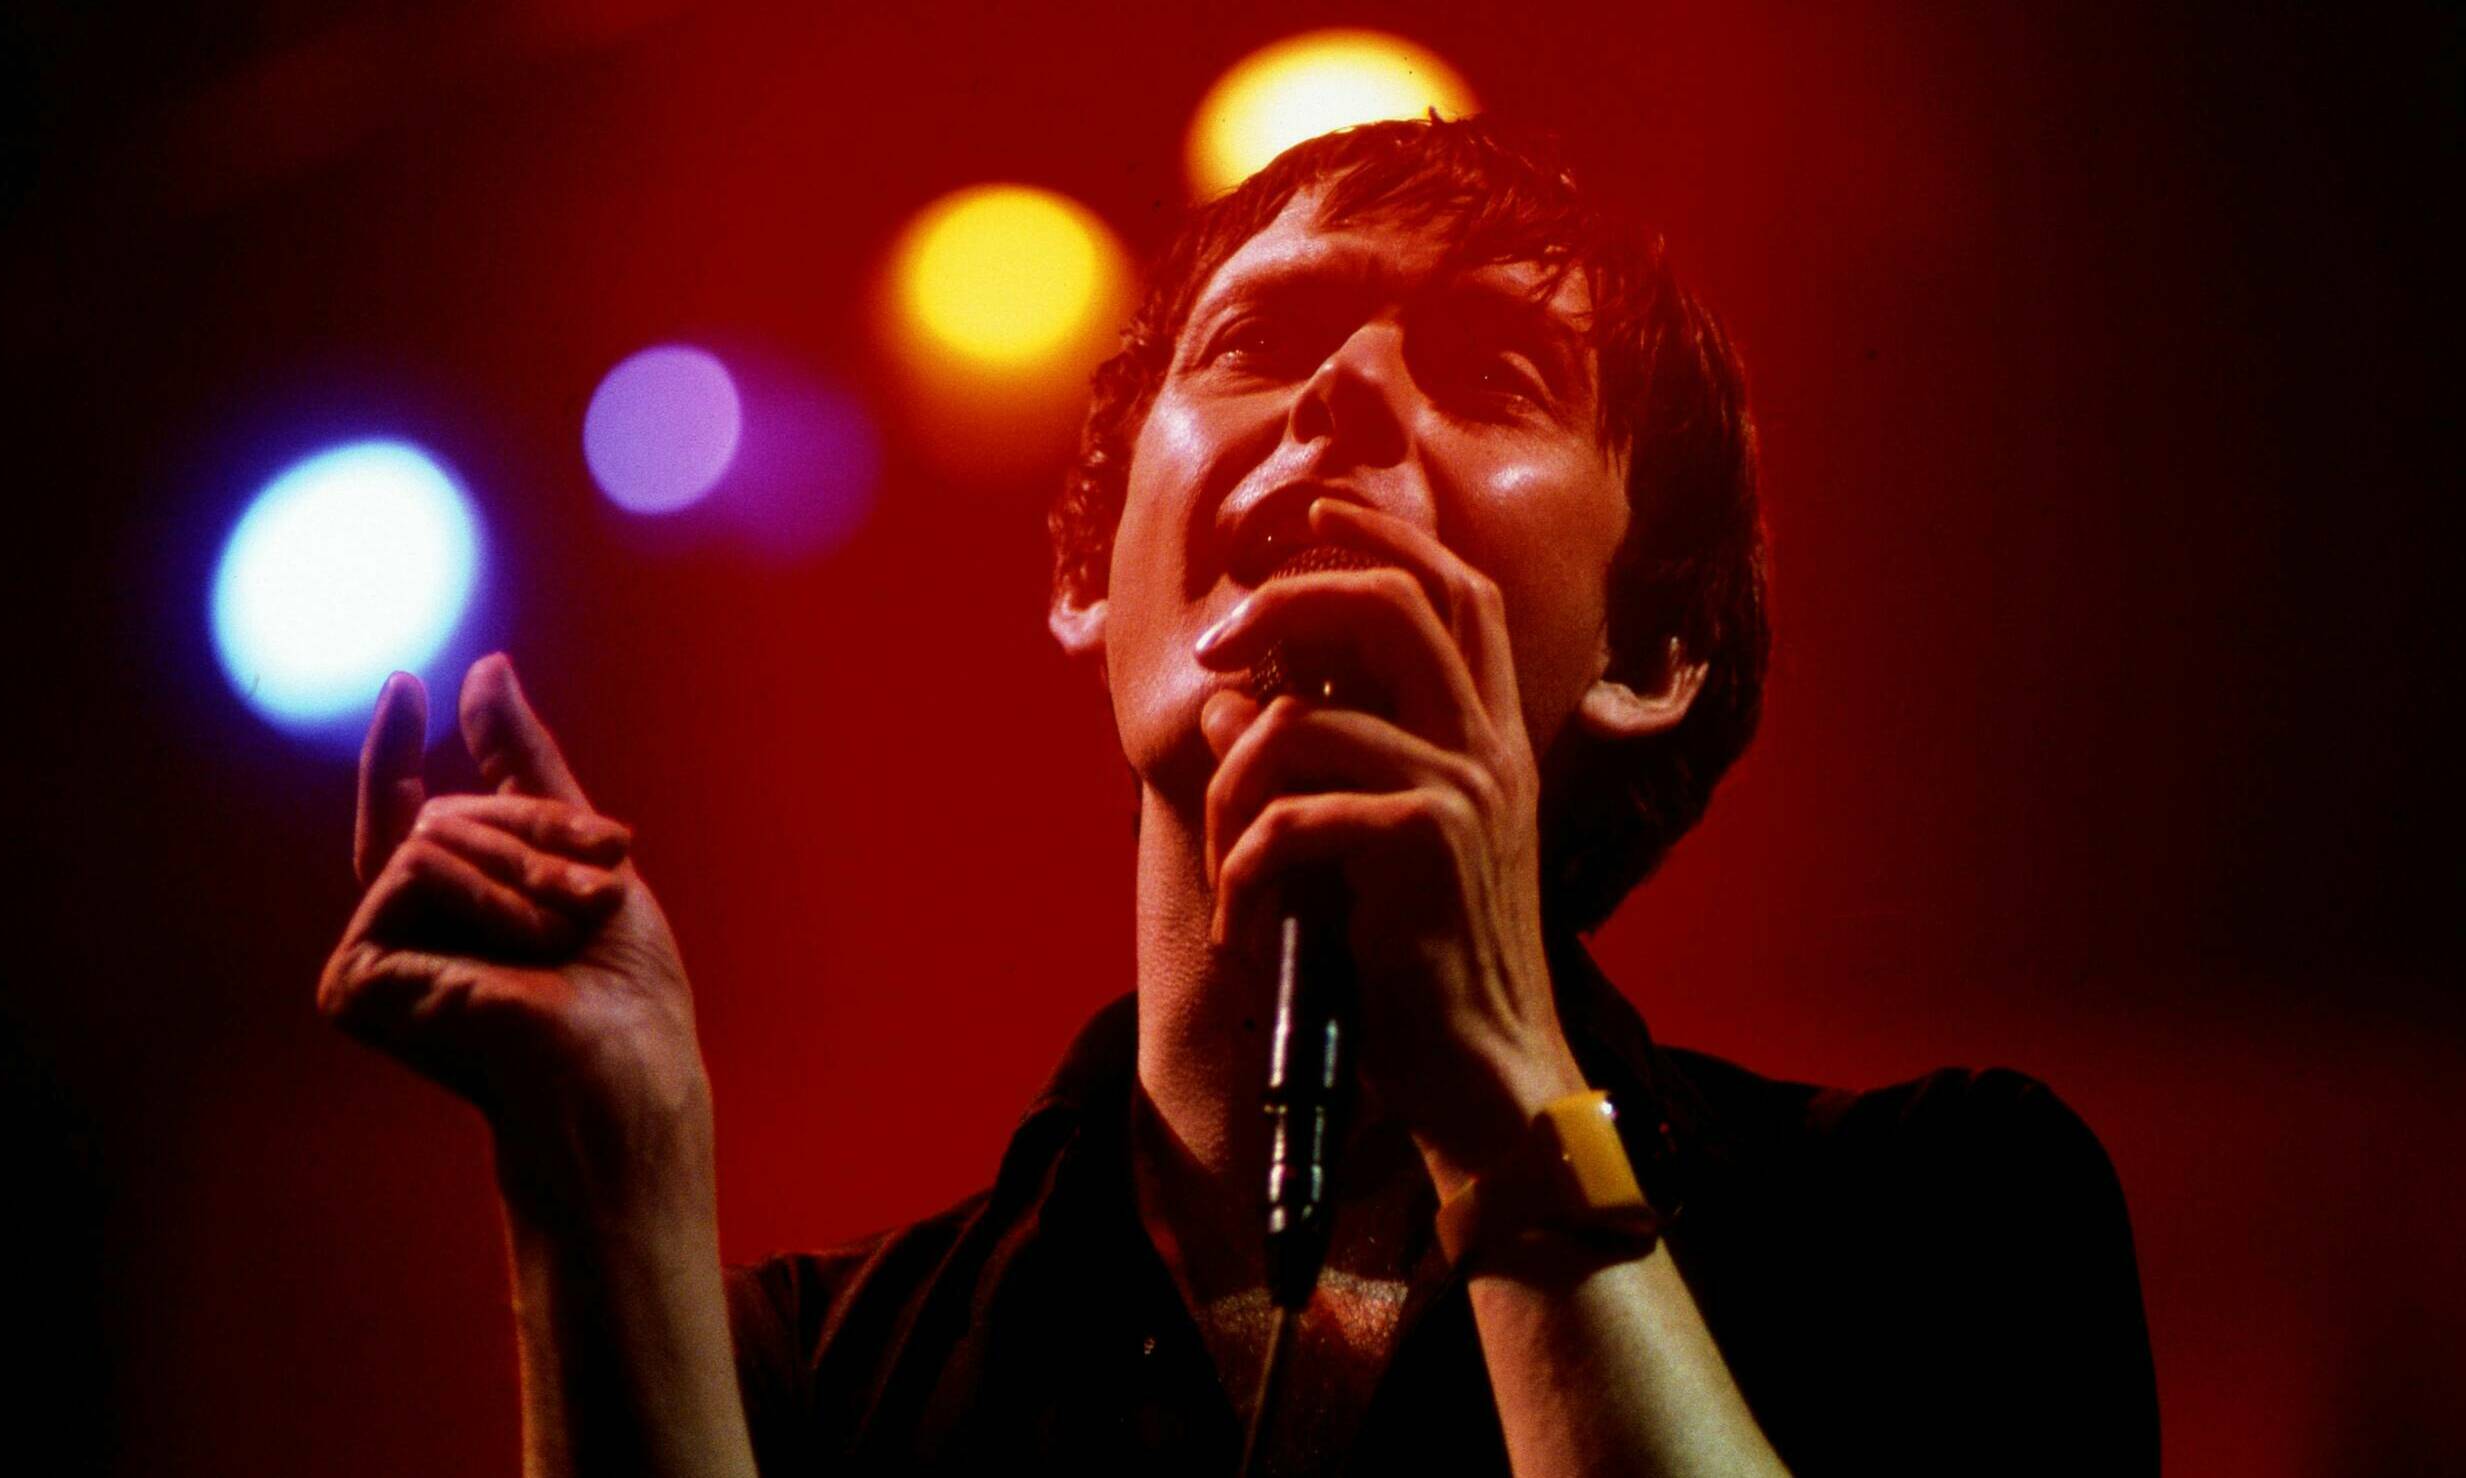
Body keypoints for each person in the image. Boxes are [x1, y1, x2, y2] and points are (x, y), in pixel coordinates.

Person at [319, 116, 2157, 1475]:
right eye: (1260, 343)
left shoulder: (1939, 1223)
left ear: (1648, 649)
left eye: (1493, 370)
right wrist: (604, 1184)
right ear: (1081, 570)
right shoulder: (818, 1374)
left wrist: (1498, 1079)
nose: (1345, 392)